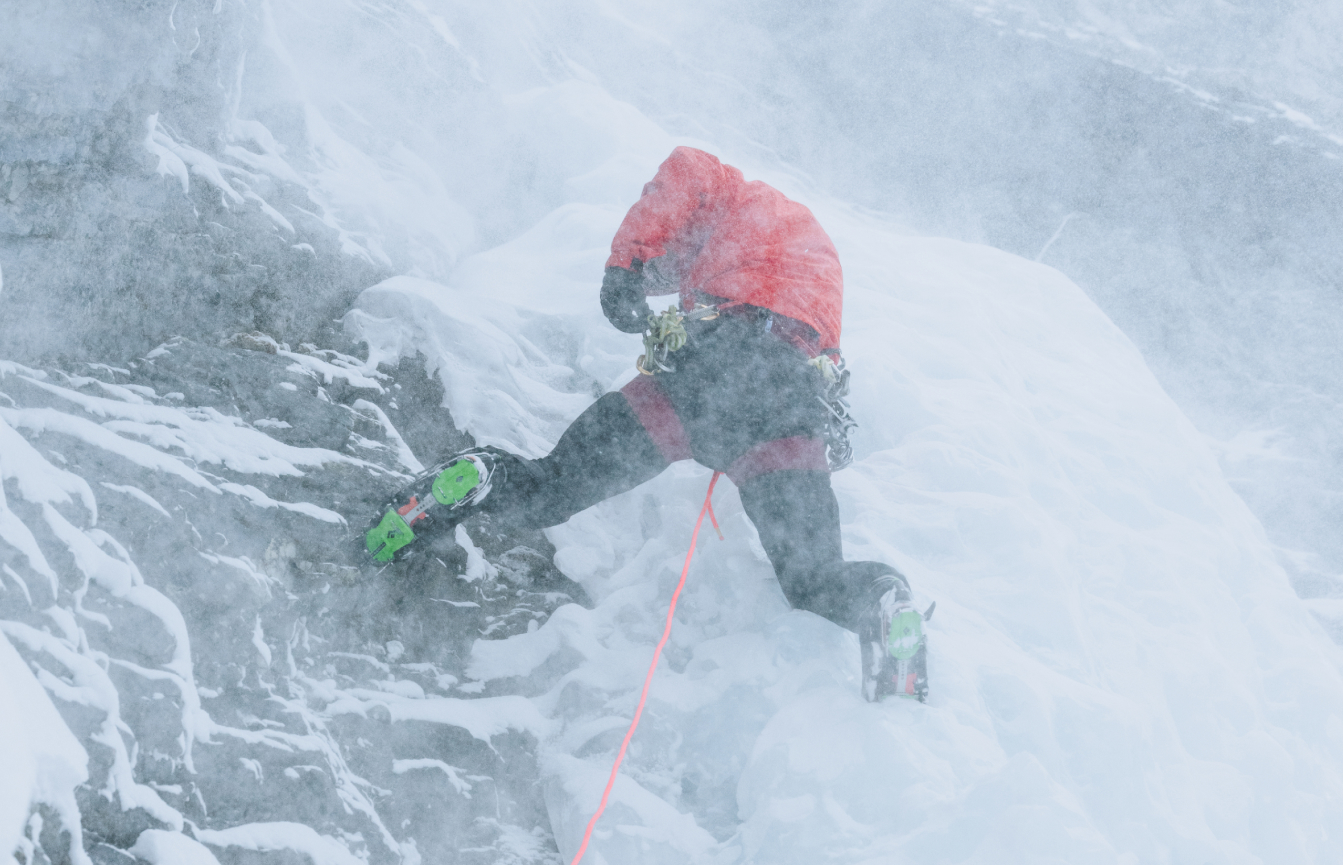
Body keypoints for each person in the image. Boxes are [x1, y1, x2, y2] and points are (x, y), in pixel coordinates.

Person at [365, 147, 928, 700]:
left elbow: (684, 173)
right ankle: (883, 603)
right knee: (813, 579)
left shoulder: (729, 190)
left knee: (550, 488)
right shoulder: (818, 263)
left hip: (703, 376)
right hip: (789, 407)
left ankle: (479, 476)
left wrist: (624, 265)